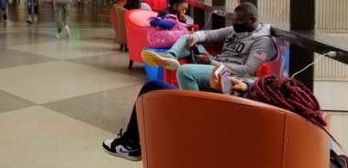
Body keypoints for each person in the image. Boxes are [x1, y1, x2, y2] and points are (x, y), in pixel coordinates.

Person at [102, 71, 331, 162]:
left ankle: (132, 145)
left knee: (154, 86)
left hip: (203, 143)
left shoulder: (225, 122)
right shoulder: (316, 142)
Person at [142, 2, 276, 91]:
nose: (235, 23)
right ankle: (170, 56)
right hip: (215, 63)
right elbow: (208, 34)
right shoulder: (234, 30)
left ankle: (194, 111)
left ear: (252, 20)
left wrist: (211, 61)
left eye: (239, 20)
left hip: (229, 74)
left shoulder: (262, 41)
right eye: (234, 20)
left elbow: (248, 70)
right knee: (188, 37)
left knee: (184, 71)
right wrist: (195, 37)